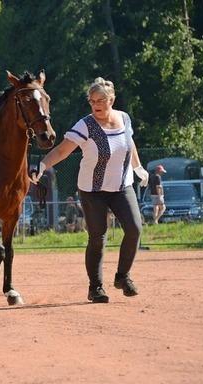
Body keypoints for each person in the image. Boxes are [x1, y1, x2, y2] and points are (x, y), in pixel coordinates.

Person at [31, 77, 149, 303]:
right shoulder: (85, 125)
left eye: (101, 100)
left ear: (111, 100)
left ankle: (122, 277)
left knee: (134, 229)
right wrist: (43, 164)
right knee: (98, 236)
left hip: (122, 187)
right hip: (92, 190)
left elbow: (130, 142)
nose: (96, 104)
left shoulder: (124, 118)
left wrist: (138, 167)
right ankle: (95, 288)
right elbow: (62, 151)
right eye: (92, 100)